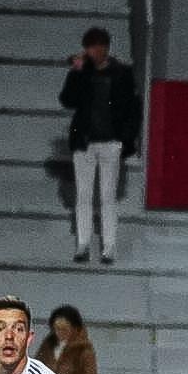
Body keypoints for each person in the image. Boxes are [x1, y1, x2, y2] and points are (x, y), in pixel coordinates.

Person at [59, 26, 141, 264]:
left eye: (95, 46)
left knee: (107, 196)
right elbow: (67, 100)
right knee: (83, 195)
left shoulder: (122, 73)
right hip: (85, 142)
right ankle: (83, 244)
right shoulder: (82, 72)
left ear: (105, 48)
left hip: (111, 143)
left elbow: (133, 110)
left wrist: (125, 139)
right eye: (88, 47)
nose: (91, 52)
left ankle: (109, 246)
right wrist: (76, 72)